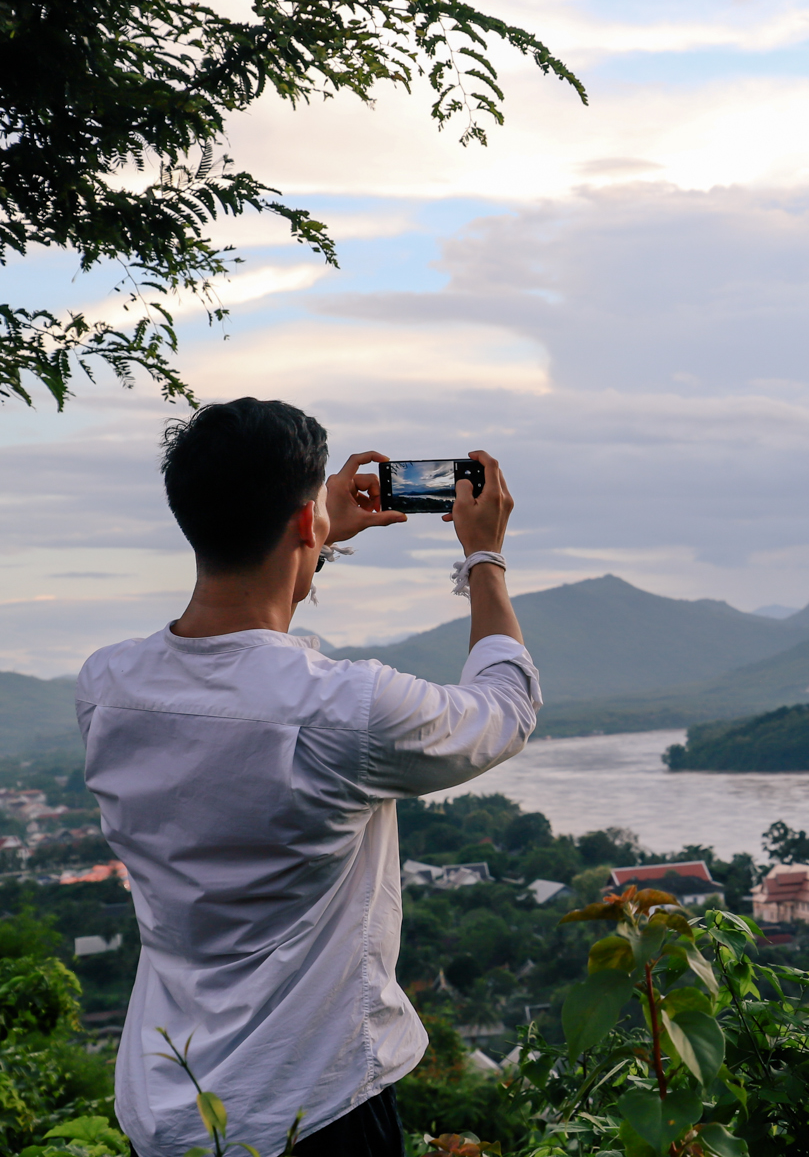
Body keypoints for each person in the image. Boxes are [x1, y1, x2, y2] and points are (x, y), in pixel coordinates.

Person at [77, 399, 541, 1156]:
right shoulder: (343, 708)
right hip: (315, 1110)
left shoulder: (107, 688)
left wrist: (307, 538)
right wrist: (482, 557)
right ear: (300, 521)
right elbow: (504, 708)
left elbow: (230, 661)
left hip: (166, 1109)